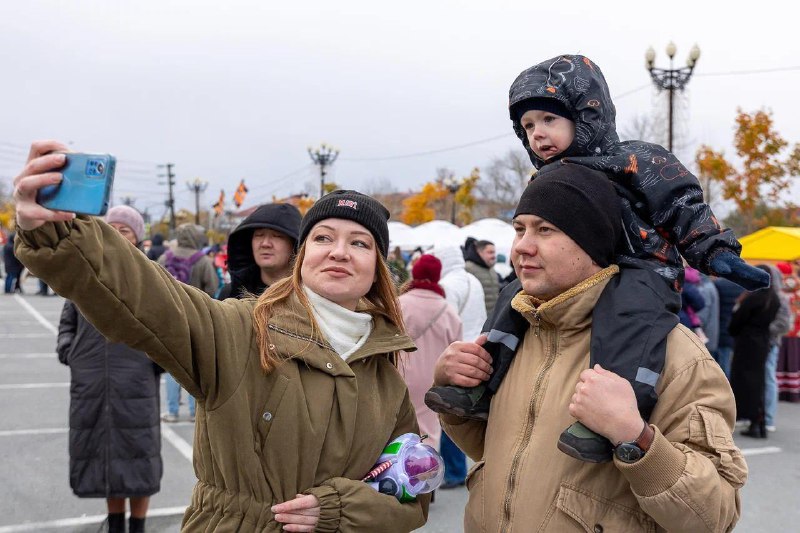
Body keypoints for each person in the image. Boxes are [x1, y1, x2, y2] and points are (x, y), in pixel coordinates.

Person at [14, 147, 429, 532]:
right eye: (323, 237)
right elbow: (148, 295)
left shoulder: (386, 377)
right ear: (302, 257)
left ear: (377, 268)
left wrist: (340, 509)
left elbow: (414, 496)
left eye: (359, 243)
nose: (339, 252)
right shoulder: (239, 330)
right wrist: (58, 233)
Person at [426, 53, 769, 462]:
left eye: (549, 120)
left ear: (586, 113)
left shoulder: (637, 160)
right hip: (577, 280)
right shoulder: (548, 177)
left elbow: (683, 206)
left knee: (628, 318)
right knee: (512, 295)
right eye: (528, 127)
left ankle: (610, 412)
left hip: (643, 267)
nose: (537, 134)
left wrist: (717, 252)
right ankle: (483, 378)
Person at [434, 168, 747, 532]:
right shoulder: (516, 332)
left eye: (545, 230)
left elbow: (716, 515)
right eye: (520, 229)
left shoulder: (674, 354)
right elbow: (497, 451)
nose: (522, 246)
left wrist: (636, 438)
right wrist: (455, 392)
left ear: (592, 242)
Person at [56, 205, 161, 533]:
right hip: (92, 382)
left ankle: (138, 525)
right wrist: (68, 350)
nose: (116, 233)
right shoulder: (85, 273)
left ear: (138, 237)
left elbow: (170, 328)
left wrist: (156, 362)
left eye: (125, 229)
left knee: (137, 458)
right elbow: (67, 321)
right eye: (111, 227)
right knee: (106, 459)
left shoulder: (151, 277)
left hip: (136, 384)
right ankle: (115, 524)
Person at [430, 243, 486, 489]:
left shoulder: (448, 285)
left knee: (450, 414)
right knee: (467, 414)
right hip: (479, 350)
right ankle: (460, 468)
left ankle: (453, 471)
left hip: (459, 353)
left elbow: (446, 321)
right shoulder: (472, 279)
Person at [398, 254, 463, 452]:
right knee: (428, 433)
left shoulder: (397, 304)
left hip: (397, 374)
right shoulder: (448, 312)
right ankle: (424, 473)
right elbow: (455, 353)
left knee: (396, 427)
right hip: (432, 380)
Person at [157, 223, 218, 423]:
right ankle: (194, 412)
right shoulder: (201, 260)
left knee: (171, 366)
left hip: (168, 318)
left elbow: (155, 283)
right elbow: (212, 286)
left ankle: (173, 411)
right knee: (195, 365)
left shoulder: (166, 258)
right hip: (195, 318)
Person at [729, 265, 781, 438]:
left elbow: (737, 321)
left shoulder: (753, 298)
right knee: (758, 382)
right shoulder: (774, 298)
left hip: (747, 342)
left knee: (745, 381)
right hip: (763, 342)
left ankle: (751, 418)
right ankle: (759, 421)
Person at [216, 203, 301, 300]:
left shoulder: (308, 297)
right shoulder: (231, 295)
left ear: (294, 245)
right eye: (259, 235)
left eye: (277, 236)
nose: (265, 243)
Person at [764, 264, 793, 432]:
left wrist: (763, 330)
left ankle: (768, 418)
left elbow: (784, 324)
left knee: (769, 378)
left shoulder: (780, 298)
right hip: (762, 343)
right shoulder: (763, 294)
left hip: (771, 343)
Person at [714, 277, 745, 378]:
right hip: (738, 331)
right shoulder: (744, 286)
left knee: (723, 363)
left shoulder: (719, 284)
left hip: (722, 329)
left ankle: (725, 389)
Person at [464, 239, 500, 316]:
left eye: (494, 252)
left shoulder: (492, 270)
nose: (494, 256)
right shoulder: (468, 268)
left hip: (492, 317)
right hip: (477, 318)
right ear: (479, 253)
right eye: (490, 252)